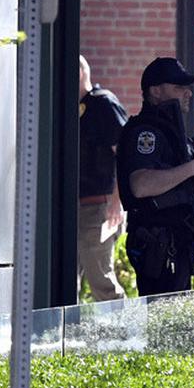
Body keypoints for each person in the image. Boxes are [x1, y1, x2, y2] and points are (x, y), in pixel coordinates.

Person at [116, 56, 194, 296]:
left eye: (188, 88)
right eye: (179, 87)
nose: (188, 94)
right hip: (158, 244)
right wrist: (193, 168)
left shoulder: (175, 134)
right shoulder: (146, 133)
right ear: (155, 91)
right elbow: (140, 185)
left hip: (180, 243)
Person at [77, 56, 129, 300]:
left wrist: (117, 202)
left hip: (98, 207)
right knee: (66, 282)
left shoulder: (102, 105)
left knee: (102, 280)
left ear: (78, 73)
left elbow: (126, 155)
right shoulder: (68, 108)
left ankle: (122, 335)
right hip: (71, 209)